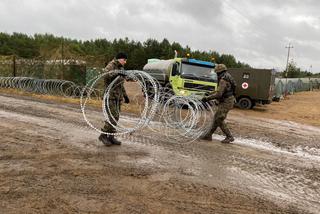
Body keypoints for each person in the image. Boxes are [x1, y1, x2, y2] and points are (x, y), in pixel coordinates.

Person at [99, 52, 130, 146]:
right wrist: (117, 73)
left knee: (116, 117)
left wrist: (125, 95)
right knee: (112, 117)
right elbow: (105, 75)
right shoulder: (111, 65)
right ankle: (103, 136)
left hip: (117, 97)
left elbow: (120, 83)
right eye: (124, 60)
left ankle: (111, 136)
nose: (125, 62)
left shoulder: (121, 68)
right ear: (120, 59)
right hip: (110, 96)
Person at [201, 64, 236, 143]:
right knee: (217, 118)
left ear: (219, 72)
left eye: (217, 73)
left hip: (226, 101)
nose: (216, 74)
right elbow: (220, 91)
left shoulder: (223, 80)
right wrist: (210, 93)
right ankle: (208, 135)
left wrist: (207, 98)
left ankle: (229, 136)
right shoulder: (227, 77)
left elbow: (219, 94)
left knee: (219, 119)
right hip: (228, 100)